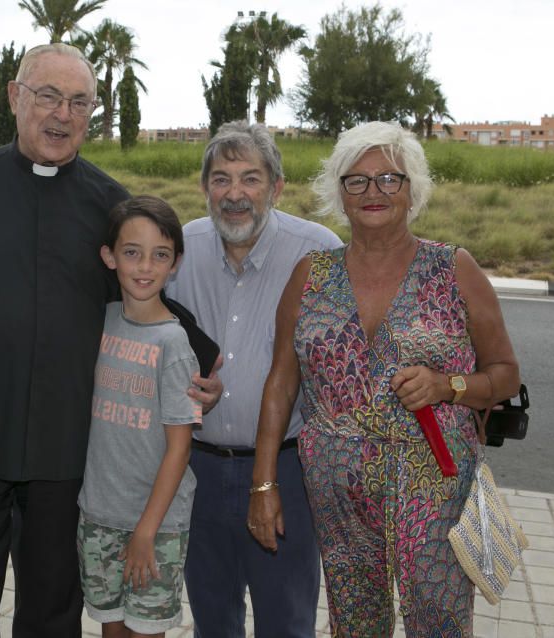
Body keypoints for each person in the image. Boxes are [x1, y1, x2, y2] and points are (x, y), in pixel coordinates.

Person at [0, 44, 225, 637]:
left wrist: (204, 368)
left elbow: (151, 292)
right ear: (16, 98)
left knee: (51, 615)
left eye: (78, 102)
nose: (61, 115)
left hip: (65, 455)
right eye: (47, 96)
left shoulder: (110, 205)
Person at [247, 121, 521, 636]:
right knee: (355, 620)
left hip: (434, 483)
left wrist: (449, 386)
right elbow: (281, 385)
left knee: (437, 618)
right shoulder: (312, 275)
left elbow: (505, 374)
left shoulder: (453, 267)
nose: (374, 192)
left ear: (412, 190)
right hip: (338, 487)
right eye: (357, 180)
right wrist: (263, 484)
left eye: (389, 179)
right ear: (339, 192)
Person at [164, 120, 342, 637]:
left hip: (285, 473)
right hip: (196, 468)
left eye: (250, 178)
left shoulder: (319, 253)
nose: (234, 194)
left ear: (277, 186)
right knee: (212, 620)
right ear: (204, 188)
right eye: (221, 179)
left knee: (286, 621)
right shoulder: (180, 251)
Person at [77, 195, 202, 637]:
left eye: (160, 255)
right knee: (112, 628)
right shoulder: (102, 320)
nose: (145, 266)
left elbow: (180, 449)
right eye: (132, 252)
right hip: (98, 515)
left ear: (175, 264)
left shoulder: (173, 345)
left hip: (156, 524)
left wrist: (146, 532)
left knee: (146, 630)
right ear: (109, 257)